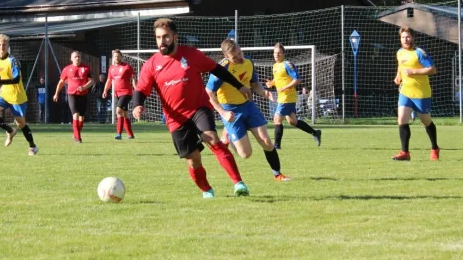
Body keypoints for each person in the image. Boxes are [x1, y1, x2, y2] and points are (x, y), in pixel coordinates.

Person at [132, 18, 253, 198]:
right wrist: (137, 105)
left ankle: (239, 183)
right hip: (175, 118)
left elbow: (217, 70)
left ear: (175, 37)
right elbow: (141, 89)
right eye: (158, 37)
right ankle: (207, 190)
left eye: (165, 37)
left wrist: (239, 86)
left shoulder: (191, 54)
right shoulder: (151, 65)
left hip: (198, 108)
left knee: (212, 138)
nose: (161, 41)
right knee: (193, 159)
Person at [206, 39, 291, 182]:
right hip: (230, 110)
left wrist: (264, 93)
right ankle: (226, 136)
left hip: (248, 106)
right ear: (226, 57)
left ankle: (278, 174)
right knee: (246, 154)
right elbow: (208, 92)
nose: (240, 57)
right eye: (235, 57)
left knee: (267, 142)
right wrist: (223, 112)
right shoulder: (221, 69)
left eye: (240, 52)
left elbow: (254, 83)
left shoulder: (248, 62)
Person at [392, 26, 439, 161]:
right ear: (400, 39)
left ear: (413, 38)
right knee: (401, 119)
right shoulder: (400, 52)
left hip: (421, 94)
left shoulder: (419, 53)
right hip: (405, 92)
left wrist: (414, 71)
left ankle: (435, 148)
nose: (405, 40)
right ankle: (405, 152)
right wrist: (398, 76)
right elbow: (401, 66)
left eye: (408, 37)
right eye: (403, 37)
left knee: (426, 121)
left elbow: (432, 69)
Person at [0, 34, 38, 156]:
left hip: (17, 96)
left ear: (8, 46)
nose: (1, 47)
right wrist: (1, 84)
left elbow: (16, 79)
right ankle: (10, 131)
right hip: (4, 94)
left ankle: (32, 146)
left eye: (4, 45)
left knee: (21, 124)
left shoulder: (13, 60)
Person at [266, 43, 322, 149]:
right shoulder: (275, 66)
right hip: (283, 96)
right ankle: (315, 132)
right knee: (292, 121)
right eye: (275, 53)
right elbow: (278, 79)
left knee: (277, 119)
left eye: (279, 53)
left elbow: (297, 79)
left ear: (283, 54)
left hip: (287, 97)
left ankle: (277, 145)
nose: (276, 55)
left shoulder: (287, 64)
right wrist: (271, 83)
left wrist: (284, 88)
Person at [53, 51, 94, 143]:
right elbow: (61, 82)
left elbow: (91, 81)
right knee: (75, 114)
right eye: (75, 57)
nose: (77, 58)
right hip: (72, 94)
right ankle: (78, 138)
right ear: (71, 59)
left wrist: (84, 87)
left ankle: (76, 133)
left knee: (81, 118)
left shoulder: (86, 68)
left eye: (78, 56)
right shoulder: (67, 69)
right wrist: (56, 94)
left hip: (83, 95)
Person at [103, 50, 137, 140]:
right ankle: (130, 134)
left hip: (127, 92)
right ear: (113, 57)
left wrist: (136, 89)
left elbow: (133, 78)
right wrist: (105, 90)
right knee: (125, 114)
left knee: (118, 111)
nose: (116, 58)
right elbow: (109, 81)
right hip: (117, 93)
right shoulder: (111, 68)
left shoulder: (127, 67)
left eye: (118, 56)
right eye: (115, 56)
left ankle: (119, 134)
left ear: (121, 57)